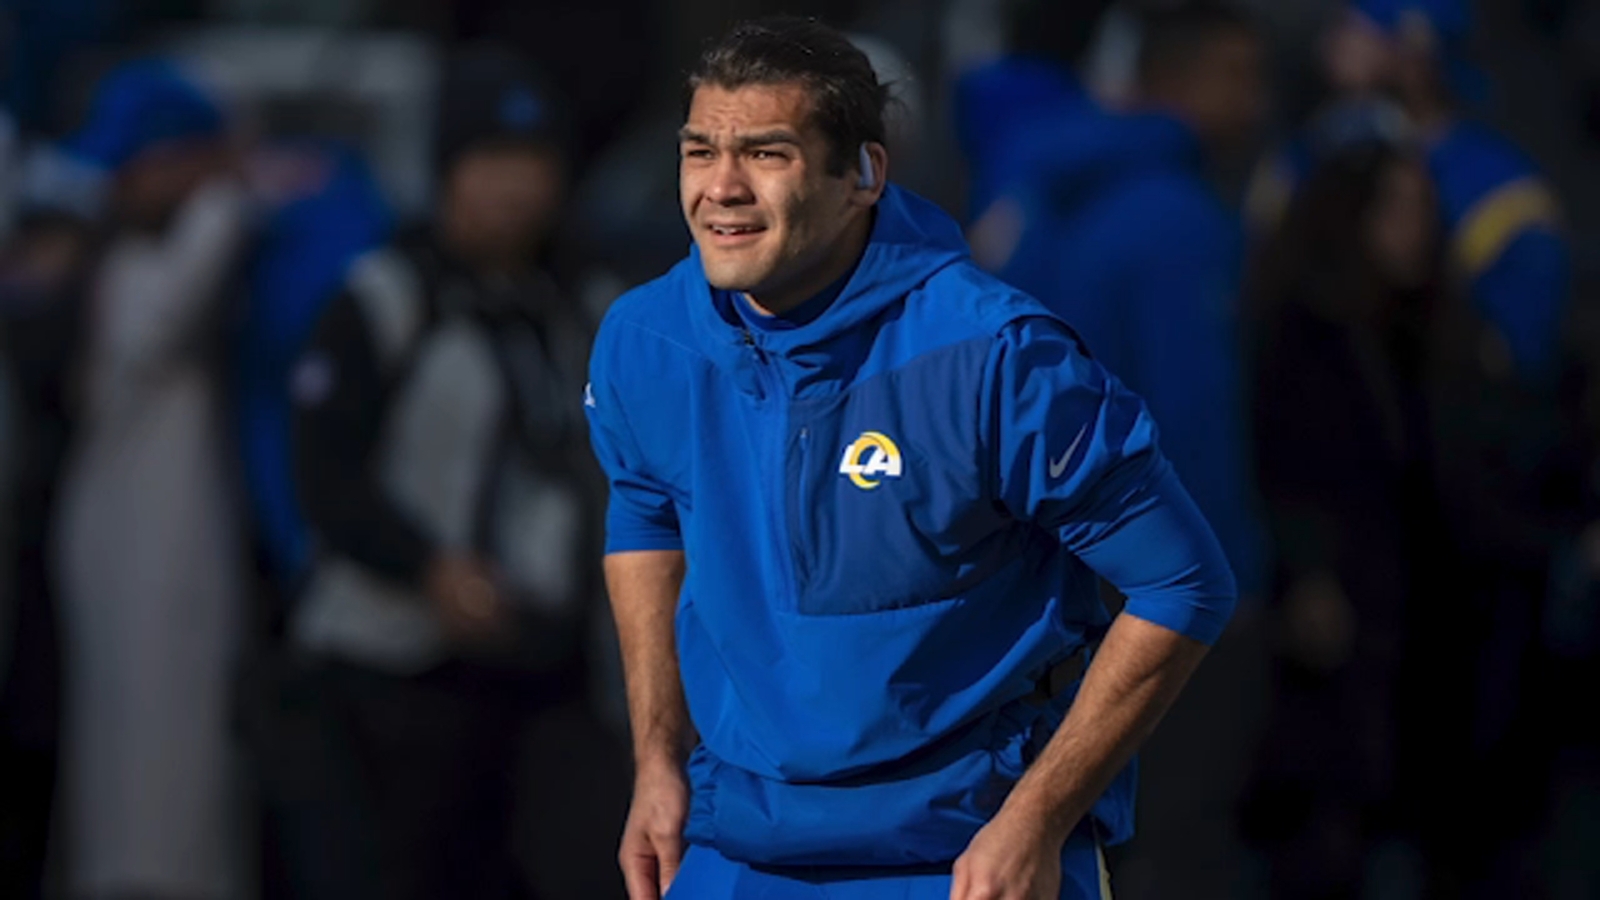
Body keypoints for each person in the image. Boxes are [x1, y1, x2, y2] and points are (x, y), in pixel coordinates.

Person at [584, 17, 1237, 900]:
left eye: (767, 153)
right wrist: (659, 761)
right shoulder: (644, 338)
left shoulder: (996, 356)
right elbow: (645, 512)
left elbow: (1183, 583)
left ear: (863, 175)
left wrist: (1037, 820)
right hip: (736, 841)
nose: (721, 188)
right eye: (700, 152)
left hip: (962, 856)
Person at [271, 46, 612, 900]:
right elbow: (323, 472)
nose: (513, 188)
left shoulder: (577, 309)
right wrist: (428, 568)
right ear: (446, 171)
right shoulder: (383, 298)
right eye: (489, 162)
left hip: (529, 674)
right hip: (383, 668)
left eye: (532, 163)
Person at [48, 58, 254, 900]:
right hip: (127, 541)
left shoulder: (145, 251)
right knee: (128, 763)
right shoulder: (126, 262)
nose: (121, 184)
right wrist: (231, 187)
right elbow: (155, 324)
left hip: (167, 539)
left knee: (180, 766)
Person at [1239, 140, 1451, 898]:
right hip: (1338, 610)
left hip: (1411, 608)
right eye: (1395, 209)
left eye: (1422, 209)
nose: (1415, 228)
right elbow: (1285, 461)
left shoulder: (1419, 328)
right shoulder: (1307, 330)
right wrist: (1309, 573)